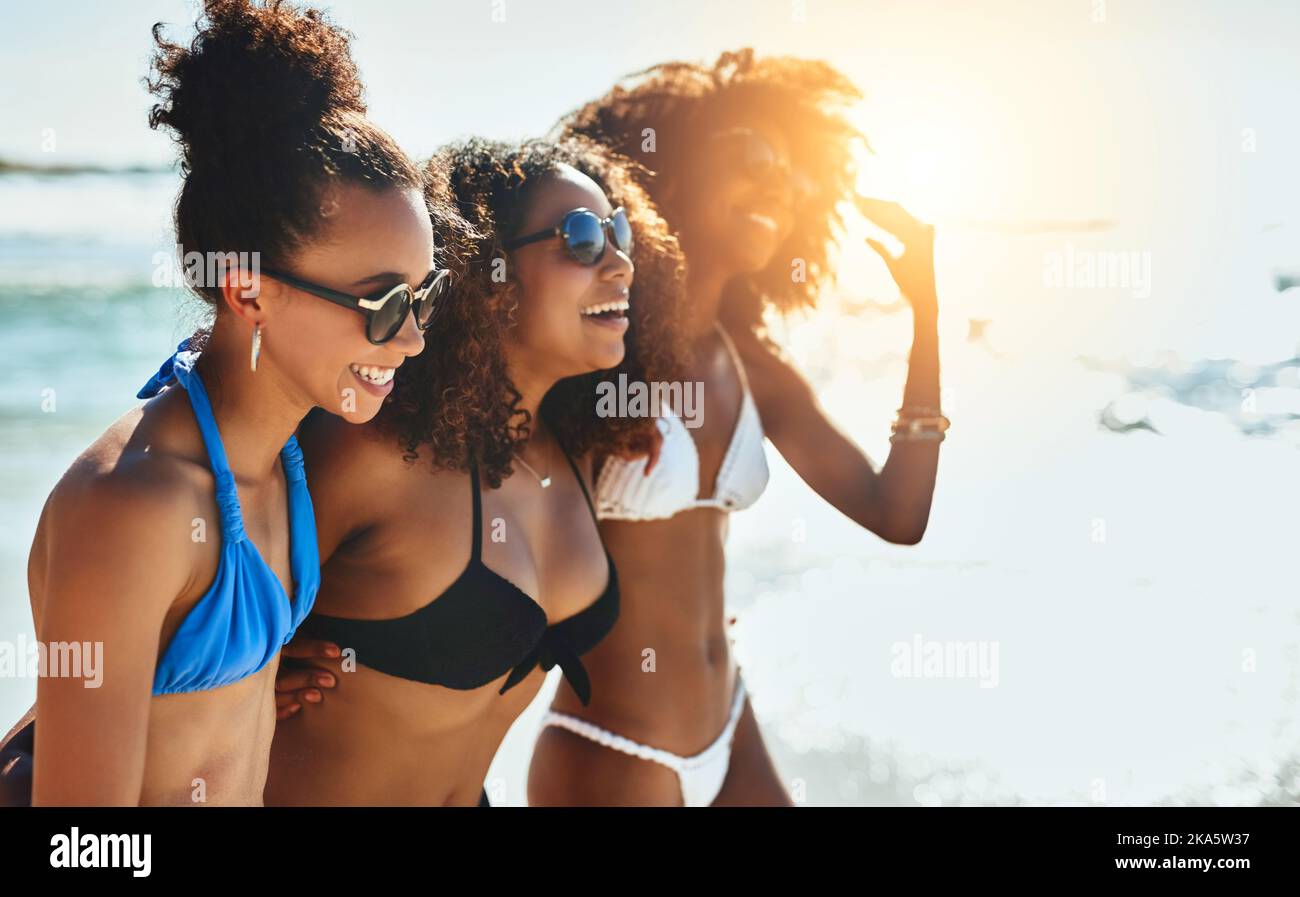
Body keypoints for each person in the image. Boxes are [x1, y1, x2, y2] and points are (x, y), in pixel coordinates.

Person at [0, 0, 446, 806]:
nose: (412, 339)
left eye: (426, 296)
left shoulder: (286, 456)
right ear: (247, 287)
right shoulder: (134, 505)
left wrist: (235, 674)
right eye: (383, 306)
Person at [526, 49, 947, 806]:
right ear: (671, 173)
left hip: (731, 726)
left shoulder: (753, 366)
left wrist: (928, 317)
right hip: (616, 752)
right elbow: (478, 504)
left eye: (790, 175)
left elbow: (897, 514)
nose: (776, 188)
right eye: (750, 158)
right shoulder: (596, 353)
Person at [265, 136, 687, 806]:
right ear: (490, 279)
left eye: (619, 232)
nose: (620, 263)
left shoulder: (579, 449)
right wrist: (244, 659)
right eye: (580, 238)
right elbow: (176, 611)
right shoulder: (370, 451)